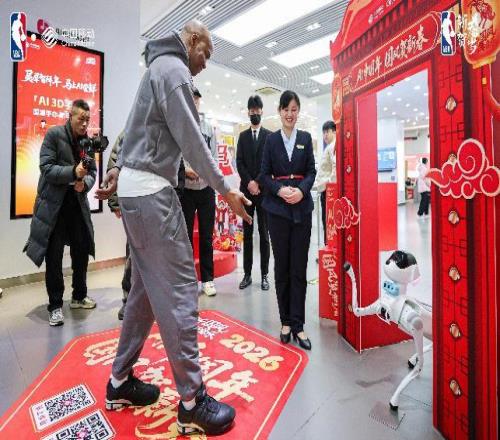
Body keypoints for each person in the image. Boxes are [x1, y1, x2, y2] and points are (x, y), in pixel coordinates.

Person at [95, 20, 251, 436]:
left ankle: (119, 381)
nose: (205, 64)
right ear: (193, 40)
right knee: (181, 288)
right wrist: (226, 189)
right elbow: (193, 142)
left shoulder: (156, 69)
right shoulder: (175, 70)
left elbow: (133, 131)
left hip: (135, 189)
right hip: (152, 193)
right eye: (206, 54)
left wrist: (116, 169)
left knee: (145, 292)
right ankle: (192, 402)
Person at [24, 99, 97, 326]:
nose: (84, 124)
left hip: (77, 206)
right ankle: (55, 305)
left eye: (87, 119)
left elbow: (92, 172)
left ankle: (78, 296)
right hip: (53, 208)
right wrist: (73, 173)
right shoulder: (54, 135)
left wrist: (84, 184)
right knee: (53, 257)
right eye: (81, 119)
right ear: (70, 116)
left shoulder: (87, 143)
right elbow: (46, 168)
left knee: (81, 251)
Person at [261, 90, 316, 351]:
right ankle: (285, 322)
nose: (290, 114)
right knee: (282, 266)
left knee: (299, 268)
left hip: (302, 210)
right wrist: (280, 190)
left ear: (298, 111)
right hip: (277, 211)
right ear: (279, 111)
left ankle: (298, 324)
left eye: (294, 109)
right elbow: (264, 175)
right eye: (286, 109)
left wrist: (302, 191)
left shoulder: (305, 138)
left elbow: (311, 171)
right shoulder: (271, 140)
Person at [180, 88, 218, 297]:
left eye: (196, 101)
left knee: (206, 236)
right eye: (191, 100)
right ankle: (187, 281)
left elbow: (214, 157)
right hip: (186, 189)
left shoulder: (208, 128)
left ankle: (208, 280)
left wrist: (206, 174)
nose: (194, 104)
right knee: (185, 237)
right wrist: (185, 170)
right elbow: (176, 155)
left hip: (206, 189)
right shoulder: (179, 125)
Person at [236, 95, 272, 290]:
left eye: (257, 110)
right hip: (246, 193)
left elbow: (269, 164)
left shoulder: (269, 137)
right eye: (252, 110)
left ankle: (265, 275)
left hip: (264, 192)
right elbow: (239, 162)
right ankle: (247, 274)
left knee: (264, 234)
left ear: (261, 112)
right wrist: (249, 182)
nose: (255, 113)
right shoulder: (242, 137)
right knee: (248, 234)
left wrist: (257, 182)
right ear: (248, 112)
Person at [106, 131, 131, 320]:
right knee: (134, 255)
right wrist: (114, 201)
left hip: (164, 202)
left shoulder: (169, 127)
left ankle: (157, 302)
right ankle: (129, 300)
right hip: (136, 201)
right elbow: (114, 162)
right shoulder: (130, 128)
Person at [313, 121, 337, 245]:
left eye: (327, 132)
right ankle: (328, 246)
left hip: (329, 192)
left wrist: (325, 185)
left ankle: (329, 247)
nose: (325, 135)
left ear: (334, 131)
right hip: (326, 190)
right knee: (327, 221)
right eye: (323, 133)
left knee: (328, 222)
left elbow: (335, 170)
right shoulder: (329, 147)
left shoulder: (333, 147)